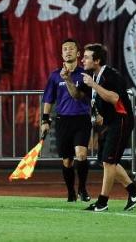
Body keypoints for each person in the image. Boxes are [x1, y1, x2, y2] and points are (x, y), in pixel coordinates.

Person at [63, 43, 136, 212]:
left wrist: (94, 85)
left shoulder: (110, 75)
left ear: (97, 60)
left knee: (109, 161)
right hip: (110, 123)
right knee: (105, 160)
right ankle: (134, 191)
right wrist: (67, 80)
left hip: (121, 120)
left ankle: (102, 202)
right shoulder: (91, 75)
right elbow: (77, 95)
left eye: (86, 57)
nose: (82, 59)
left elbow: (114, 98)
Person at [40, 39, 92, 203]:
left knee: (81, 155)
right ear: (62, 54)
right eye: (64, 49)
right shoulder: (55, 76)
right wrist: (45, 120)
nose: (68, 51)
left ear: (78, 53)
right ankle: (71, 192)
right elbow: (48, 99)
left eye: (71, 49)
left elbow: (80, 96)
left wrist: (68, 79)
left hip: (82, 119)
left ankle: (82, 189)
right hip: (63, 121)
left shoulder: (85, 75)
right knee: (67, 161)